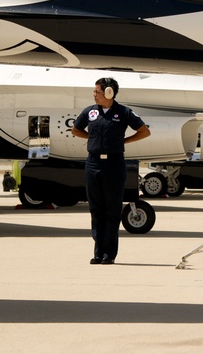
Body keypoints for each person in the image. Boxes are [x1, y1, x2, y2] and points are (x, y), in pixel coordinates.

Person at [72, 77, 150, 265]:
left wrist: (123, 142)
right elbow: (75, 130)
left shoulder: (123, 112)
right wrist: (92, 138)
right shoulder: (90, 112)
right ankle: (98, 253)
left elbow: (144, 131)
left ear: (109, 92)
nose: (94, 95)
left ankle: (110, 254)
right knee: (96, 209)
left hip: (114, 164)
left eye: (97, 91)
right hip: (93, 164)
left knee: (112, 209)